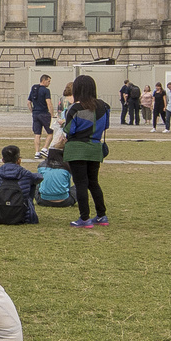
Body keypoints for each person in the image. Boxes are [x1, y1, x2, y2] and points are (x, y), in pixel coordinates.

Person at [61, 74, 110, 227]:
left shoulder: (75, 108)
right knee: (94, 182)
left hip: (77, 149)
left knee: (81, 183)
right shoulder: (104, 107)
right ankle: (101, 215)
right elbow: (106, 126)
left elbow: (69, 130)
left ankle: (84, 218)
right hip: (95, 148)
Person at [0, 145, 42, 225]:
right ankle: (29, 210)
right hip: (22, 215)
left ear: (3, 160)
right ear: (18, 160)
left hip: (0, 216)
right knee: (32, 183)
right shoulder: (25, 173)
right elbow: (39, 178)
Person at [27, 74, 54, 157]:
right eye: (48, 81)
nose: (49, 83)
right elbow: (49, 103)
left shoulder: (34, 89)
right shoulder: (46, 90)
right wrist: (52, 115)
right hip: (44, 113)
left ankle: (37, 152)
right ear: (44, 80)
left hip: (35, 113)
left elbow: (28, 102)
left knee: (37, 134)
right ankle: (45, 148)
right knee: (51, 132)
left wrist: (32, 111)